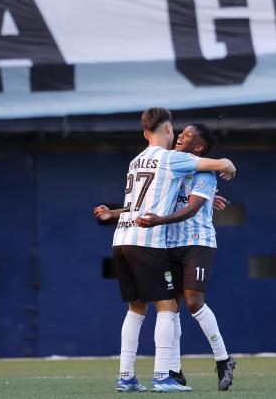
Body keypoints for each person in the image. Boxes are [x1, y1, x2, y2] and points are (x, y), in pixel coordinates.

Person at [99, 107, 236, 393]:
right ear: (166, 130)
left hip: (192, 241)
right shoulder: (173, 160)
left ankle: (221, 360)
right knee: (168, 307)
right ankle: (168, 372)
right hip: (159, 241)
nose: (180, 136)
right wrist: (226, 164)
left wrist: (114, 214)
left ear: (198, 147)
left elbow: (189, 206)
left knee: (186, 303)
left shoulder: (143, 161)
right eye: (179, 131)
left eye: (187, 135)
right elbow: (149, 202)